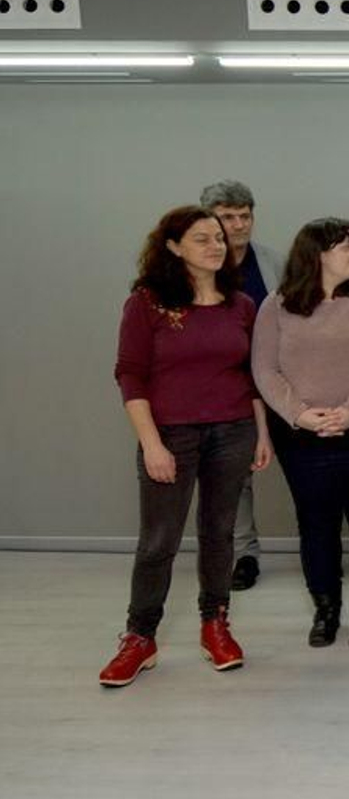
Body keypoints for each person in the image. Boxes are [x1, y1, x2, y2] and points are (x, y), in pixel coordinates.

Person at [100, 206, 273, 686]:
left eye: (219, 237)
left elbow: (252, 376)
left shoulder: (240, 304)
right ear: (173, 247)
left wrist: (260, 431)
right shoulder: (147, 303)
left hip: (233, 430)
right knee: (159, 542)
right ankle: (140, 638)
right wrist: (151, 443)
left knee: (221, 535)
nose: (217, 245)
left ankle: (214, 623)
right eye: (202, 238)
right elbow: (130, 375)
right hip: (171, 435)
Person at [252, 217, 349, 648]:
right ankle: (326, 610)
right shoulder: (276, 306)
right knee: (315, 526)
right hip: (301, 440)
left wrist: (348, 412)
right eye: (346, 246)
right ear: (318, 255)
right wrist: (299, 414)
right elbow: (264, 369)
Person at [200, 180, 282, 592]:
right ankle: (244, 555)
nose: (238, 224)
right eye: (228, 216)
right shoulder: (197, 265)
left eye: (244, 215)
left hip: (276, 380)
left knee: (308, 461)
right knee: (236, 474)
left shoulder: (270, 262)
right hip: (227, 383)